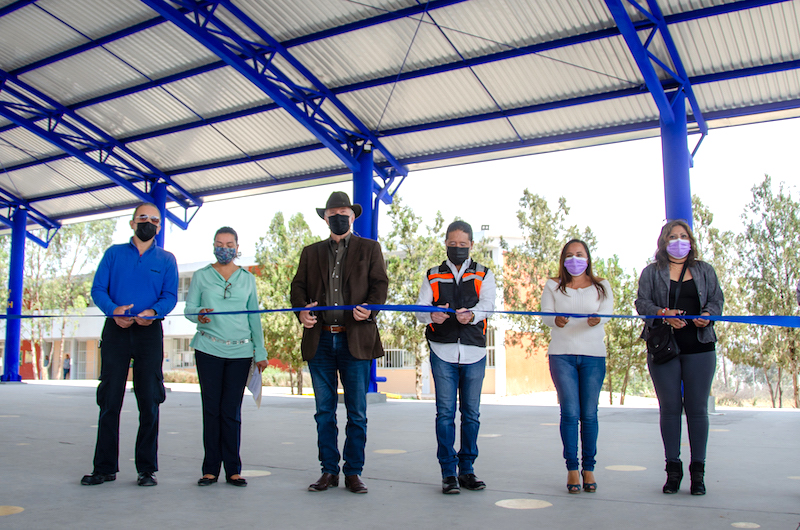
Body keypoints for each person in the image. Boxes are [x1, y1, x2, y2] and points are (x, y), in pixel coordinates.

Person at [290, 191, 389, 494]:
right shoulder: (311, 252)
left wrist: (371, 307)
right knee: (324, 411)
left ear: (353, 215)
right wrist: (302, 312)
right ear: (325, 217)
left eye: (343, 211)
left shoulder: (370, 249)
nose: (338, 216)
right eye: (333, 213)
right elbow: (298, 287)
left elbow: (380, 284)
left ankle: (353, 472)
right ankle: (328, 471)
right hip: (320, 340)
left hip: (355, 340)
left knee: (357, 411)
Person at [82, 202, 178, 487]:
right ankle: (104, 468)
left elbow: (170, 295)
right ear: (132, 222)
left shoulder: (167, 259)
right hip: (116, 329)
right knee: (110, 399)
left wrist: (154, 312)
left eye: (154, 219)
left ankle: (146, 469)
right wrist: (114, 310)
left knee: (149, 400)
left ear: (159, 226)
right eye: (143, 217)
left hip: (149, 332)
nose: (148, 222)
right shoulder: (113, 254)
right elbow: (98, 289)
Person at [635, 220, 724, 496]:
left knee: (697, 410)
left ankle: (698, 473)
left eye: (683, 236)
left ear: (691, 240)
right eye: (672, 237)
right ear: (663, 242)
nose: (678, 241)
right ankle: (673, 470)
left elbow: (717, 300)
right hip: (664, 348)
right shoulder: (652, 272)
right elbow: (642, 304)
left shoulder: (705, 270)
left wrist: (707, 316)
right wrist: (664, 313)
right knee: (670, 408)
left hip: (700, 347)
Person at [414, 221, 496, 494]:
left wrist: (473, 315)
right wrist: (431, 315)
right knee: (445, 415)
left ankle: (468, 470)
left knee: (471, 415)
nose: (458, 248)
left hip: (474, 351)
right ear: (446, 243)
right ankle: (448, 472)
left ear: (471, 245)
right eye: (453, 244)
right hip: (442, 350)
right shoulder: (433, 274)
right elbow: (420, 310)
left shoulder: (484, 273)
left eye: (463, 244)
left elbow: (489, 305)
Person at [185, 227, 269, 487]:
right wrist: (199, 313)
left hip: (240, 353)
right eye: (219, 244)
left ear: (236, 247)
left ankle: (233, 469)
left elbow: (254, 316)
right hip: (208, 349)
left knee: (231, 411)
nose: (224, 248)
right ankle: (210, 469)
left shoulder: (247, 278)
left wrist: (261, 351)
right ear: (213, 246)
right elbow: (188, 310)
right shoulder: (201, 276)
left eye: (229, 244)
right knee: (211, 410)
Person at [540, 239, 613, 494]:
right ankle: (572, 468)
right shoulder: (553, 286)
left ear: (588, 258)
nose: (574, 259)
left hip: (593, 355)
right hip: (562, 355)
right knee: (570, 413)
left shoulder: (601, 286)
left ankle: (589, 467)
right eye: (569, 255)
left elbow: (608, 313)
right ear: (563, 260)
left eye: (579, 254)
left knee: (589, 414)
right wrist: (555, 320)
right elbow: (546, 314)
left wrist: (598, 320)